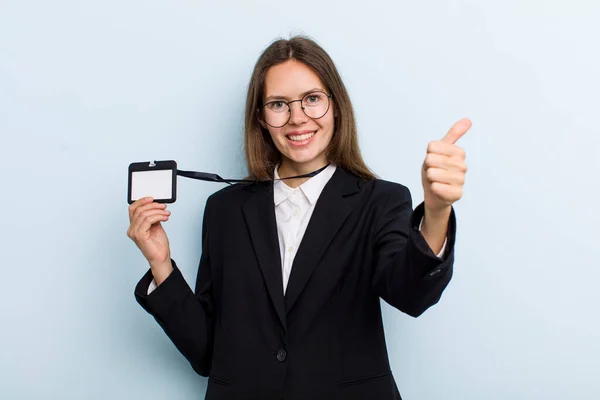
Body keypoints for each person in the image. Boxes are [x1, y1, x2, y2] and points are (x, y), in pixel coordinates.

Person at [127, 35, 470, 400]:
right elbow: (209, 353)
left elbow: (411, 294)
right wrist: (161, 264)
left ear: (335, 105)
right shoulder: (224, 210)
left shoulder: (380, 201)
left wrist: (435, 212)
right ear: (260, 118)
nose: (297, 118)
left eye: (312, 99)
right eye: (278, 104)